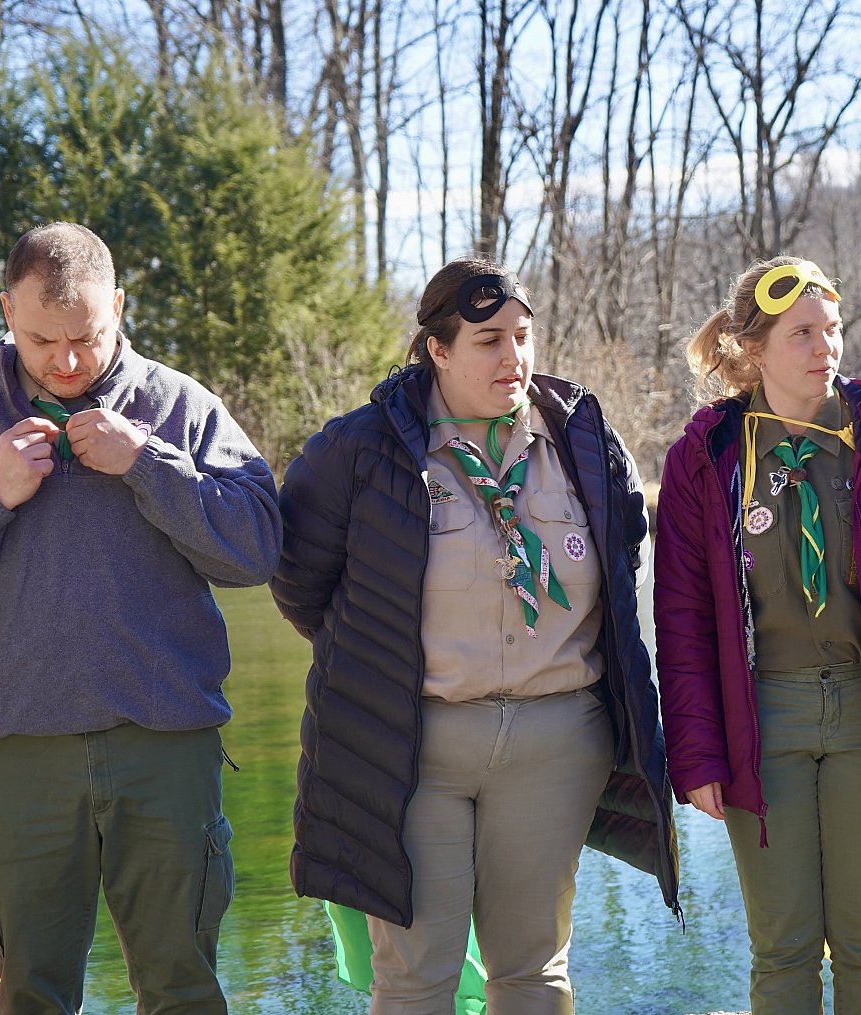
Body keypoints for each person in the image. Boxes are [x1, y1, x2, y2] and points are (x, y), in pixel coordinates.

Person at [0, 222, 281, 1014]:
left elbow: (257, 548)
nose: (65, 360)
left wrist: (148, 463)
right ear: (6, 314)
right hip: (15, 761)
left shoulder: (181, 407)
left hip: (166, 751)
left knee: (183, 990)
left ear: (119, 305)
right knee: (32, 995)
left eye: (86, 336)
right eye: (39, 338)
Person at [271, 256, 679, 1013]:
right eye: (489, 339)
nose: (514, 356)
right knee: (417, 974)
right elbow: (301, 584)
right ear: (439, 348)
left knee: (533, 971)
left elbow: (623, 573)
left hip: (555, 745)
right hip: (414, 746)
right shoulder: (360, 451)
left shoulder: (580, 437)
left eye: (523, 335)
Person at [654, 256, 861, 1014]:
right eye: (802, 333)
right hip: (762, 721)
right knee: (785, 949)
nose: (824, 348)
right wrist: (697, 751)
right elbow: (682, 622)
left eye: (832, 330)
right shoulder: (705, 460)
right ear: (752, 350)